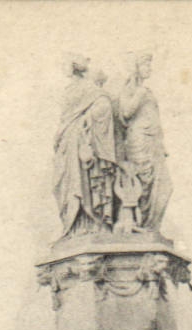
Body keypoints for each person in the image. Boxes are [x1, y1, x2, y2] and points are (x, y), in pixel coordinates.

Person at [54, 56, 121, 240]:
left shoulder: (90, 89)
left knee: (86, 182)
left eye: (66, 64)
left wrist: (86, 121)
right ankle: (74, 226)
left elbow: (104, 105)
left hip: (84, 141)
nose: (64, 69)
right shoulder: (69, 90)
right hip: (68, 143)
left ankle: (93, 224)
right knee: (66, 184)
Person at [115, 52, 171, 232]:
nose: (149, 68)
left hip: (153, 142)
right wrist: (139, 94)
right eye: (146, 65)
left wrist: (161, 144)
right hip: (138, 141)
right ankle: (139, 225)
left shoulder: (148, 91)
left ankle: (150, 226)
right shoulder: (131, 89)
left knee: (164, 187)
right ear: (136, 68)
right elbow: (125, 112)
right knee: (142, 184)